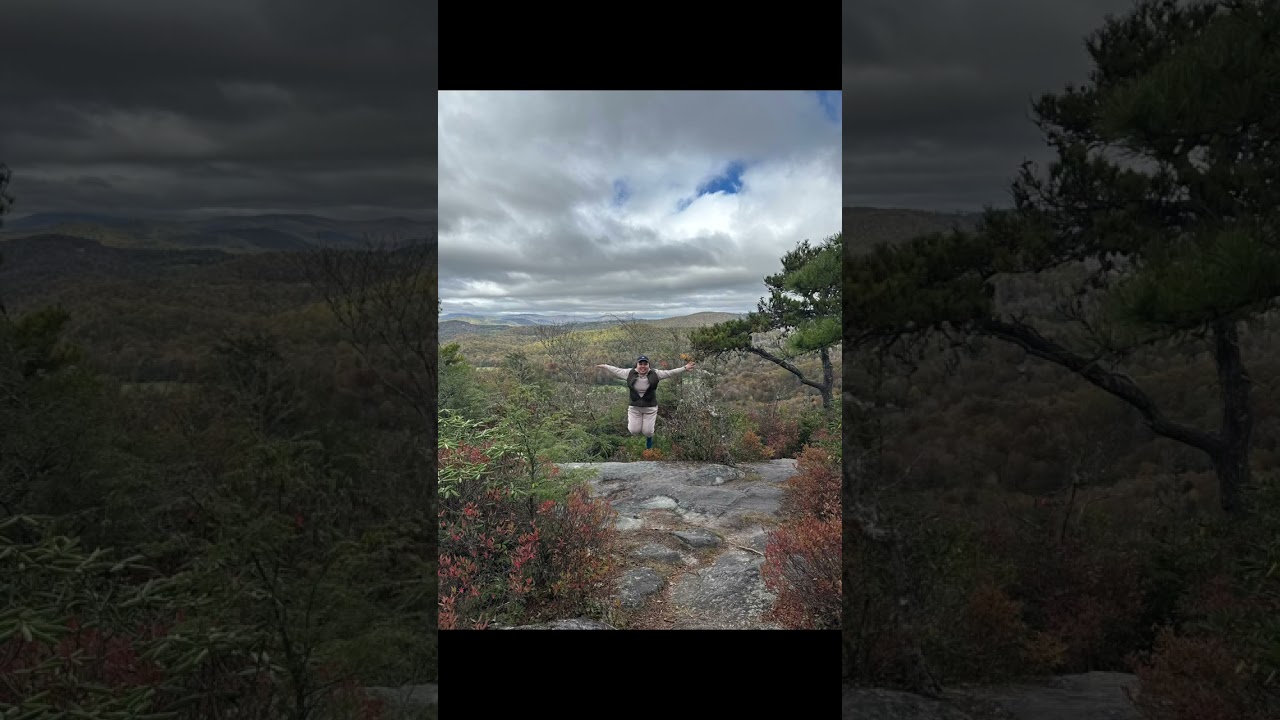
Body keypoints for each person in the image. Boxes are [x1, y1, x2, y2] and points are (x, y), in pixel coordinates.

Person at [595, 355, 695, 450]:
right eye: (640, 364)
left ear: (648, 365)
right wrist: (605, 366)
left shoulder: (655, 374)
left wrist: (685, 368)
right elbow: (616, 370)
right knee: (634, 431)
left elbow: (670, 372)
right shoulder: (629, 373)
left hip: (650, 408)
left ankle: (649, 439)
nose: (643, 366)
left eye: (645, 364)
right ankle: (637, 440)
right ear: (637, 365)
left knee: (648, 432)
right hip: (635, 408)